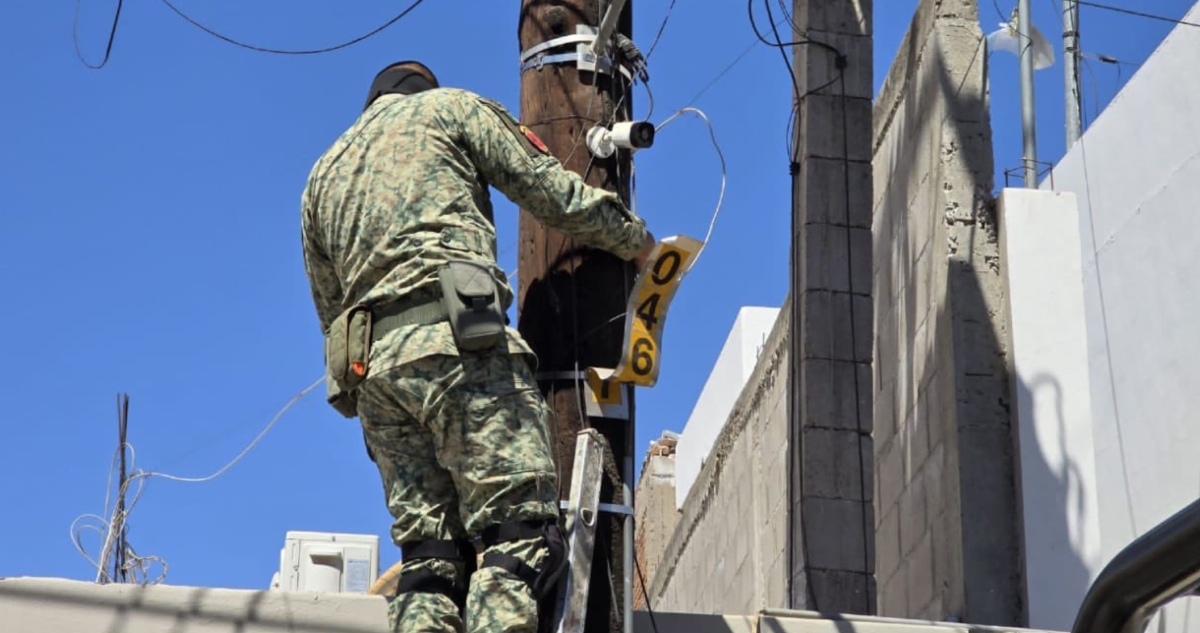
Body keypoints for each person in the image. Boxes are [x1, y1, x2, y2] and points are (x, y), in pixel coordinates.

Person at [299, 60, 655, 633]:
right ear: (423, 89)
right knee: (517, 537)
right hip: (459, 350)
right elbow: (546, 188)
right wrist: (635, 241)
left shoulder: (322, 176)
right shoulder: (451, 110)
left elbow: (330, 309)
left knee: (428, 563)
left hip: (378, 382)